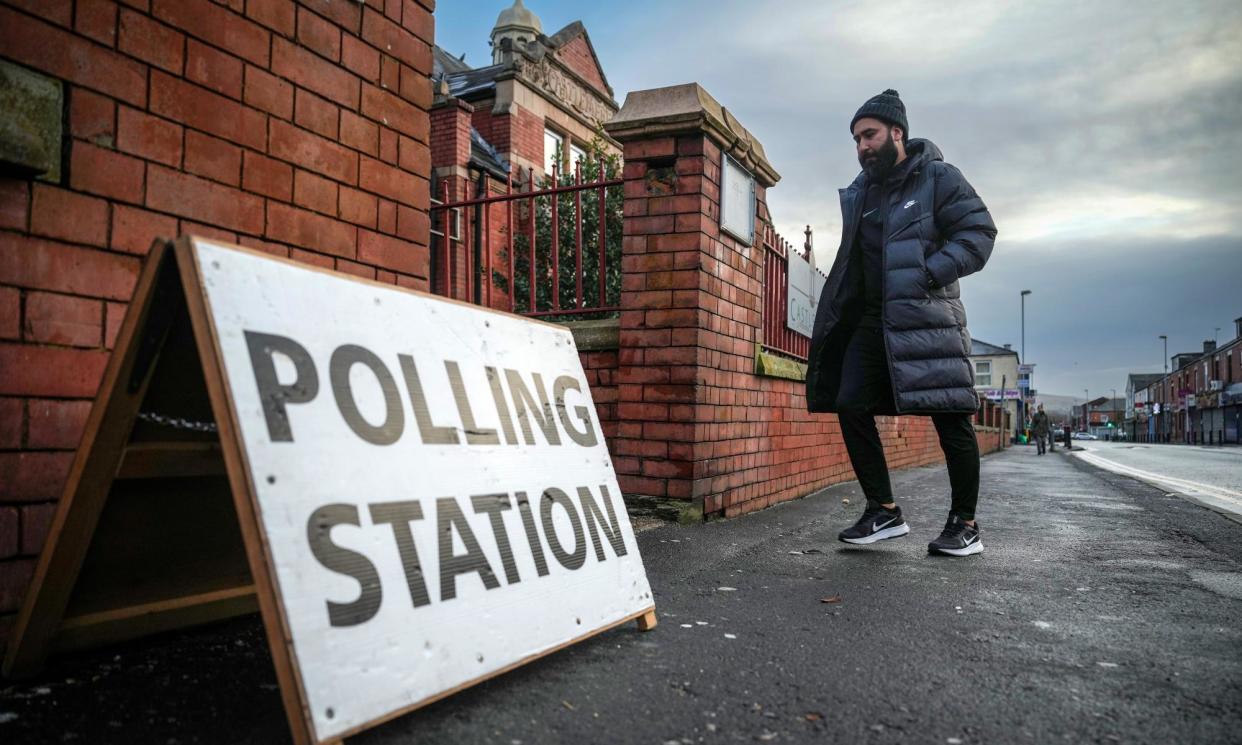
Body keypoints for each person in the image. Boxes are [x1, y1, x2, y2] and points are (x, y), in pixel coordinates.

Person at [805, 89, 997, 557]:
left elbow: (979, 233)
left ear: (897, 132)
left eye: (868, 134)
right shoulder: (863, 191)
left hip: (928, 319)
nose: (862, 146)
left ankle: (965, 525)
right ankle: (884, 511)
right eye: (855, 139)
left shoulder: (938, 178)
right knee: (849, 402)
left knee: (950, 417)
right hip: (872, 322)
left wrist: (931, 272)